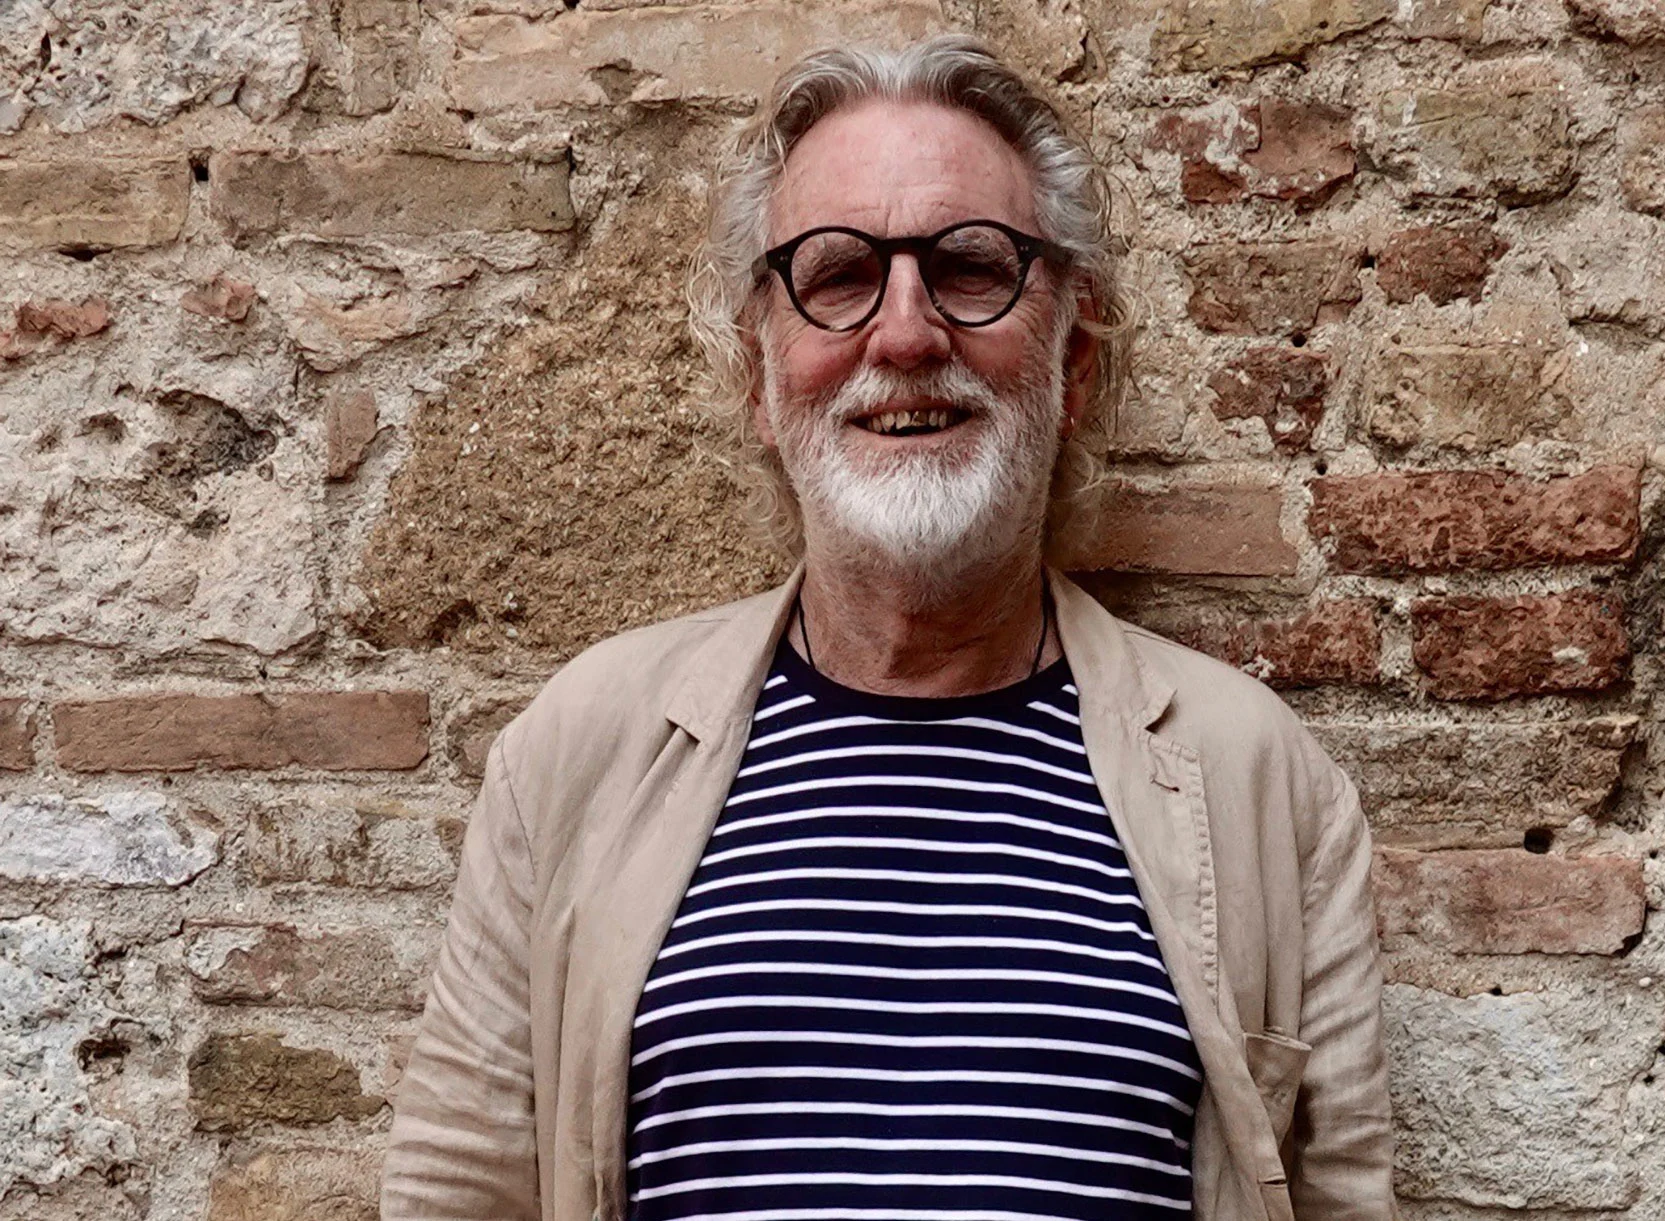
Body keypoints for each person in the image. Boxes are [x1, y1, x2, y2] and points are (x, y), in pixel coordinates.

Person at [381, 33, 1392, 1221]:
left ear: (1070, 356)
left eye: (971, 267)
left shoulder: (1256, 782)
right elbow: (458, 1189)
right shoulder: (579, 752)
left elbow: (1337, 1197)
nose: (906, 334)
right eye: (837, 272)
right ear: (760, 371)